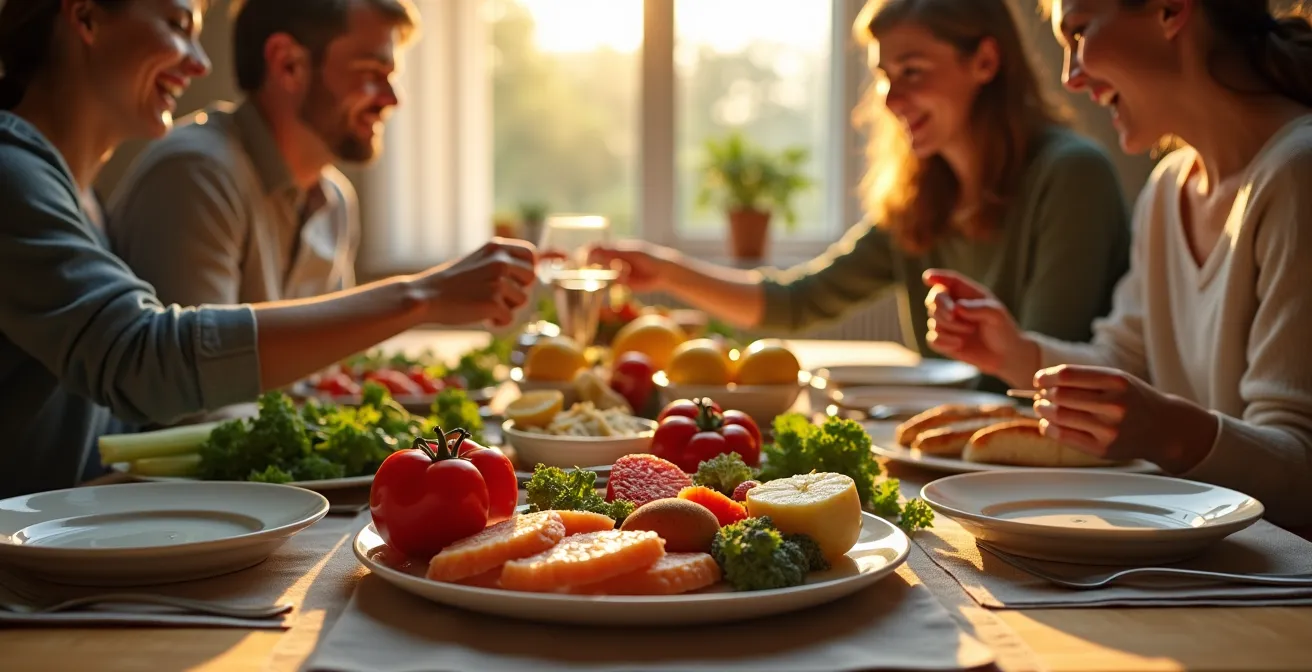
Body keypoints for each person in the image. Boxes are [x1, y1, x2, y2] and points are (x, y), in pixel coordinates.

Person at [0, 0, 536, 498]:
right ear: (86, 17)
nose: (201, 65)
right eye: (178, 25)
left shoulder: (73, 194)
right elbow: (146, 362)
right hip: (28, 570)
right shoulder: (13, 174)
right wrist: (422, 295)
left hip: (69, 538)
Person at [591, 0, 1132, 384]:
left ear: (985, 62)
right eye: (884, 76)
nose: (892, 99)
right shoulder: (924, 195)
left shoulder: (1070, 175)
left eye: (913, 71)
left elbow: (1040, 375)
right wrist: (664, 269)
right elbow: (797, 301)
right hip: (953, 456)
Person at [923, 0, 1312, 526]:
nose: (1071, 77)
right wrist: (1015, 353)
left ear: (1172, 11)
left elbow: (1301, 473)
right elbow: (1126, 361)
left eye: (1079, 34)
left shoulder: (1298, 173)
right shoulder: (1168, 187)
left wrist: (1166, 432)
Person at [107, 0, 414, 306]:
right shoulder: (196, 175)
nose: (392, 98)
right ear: (287, 64)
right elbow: (197, 353)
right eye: (372, 71)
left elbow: (330, 352)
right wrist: (419, 298)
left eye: (391, 75)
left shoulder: (335, 203)